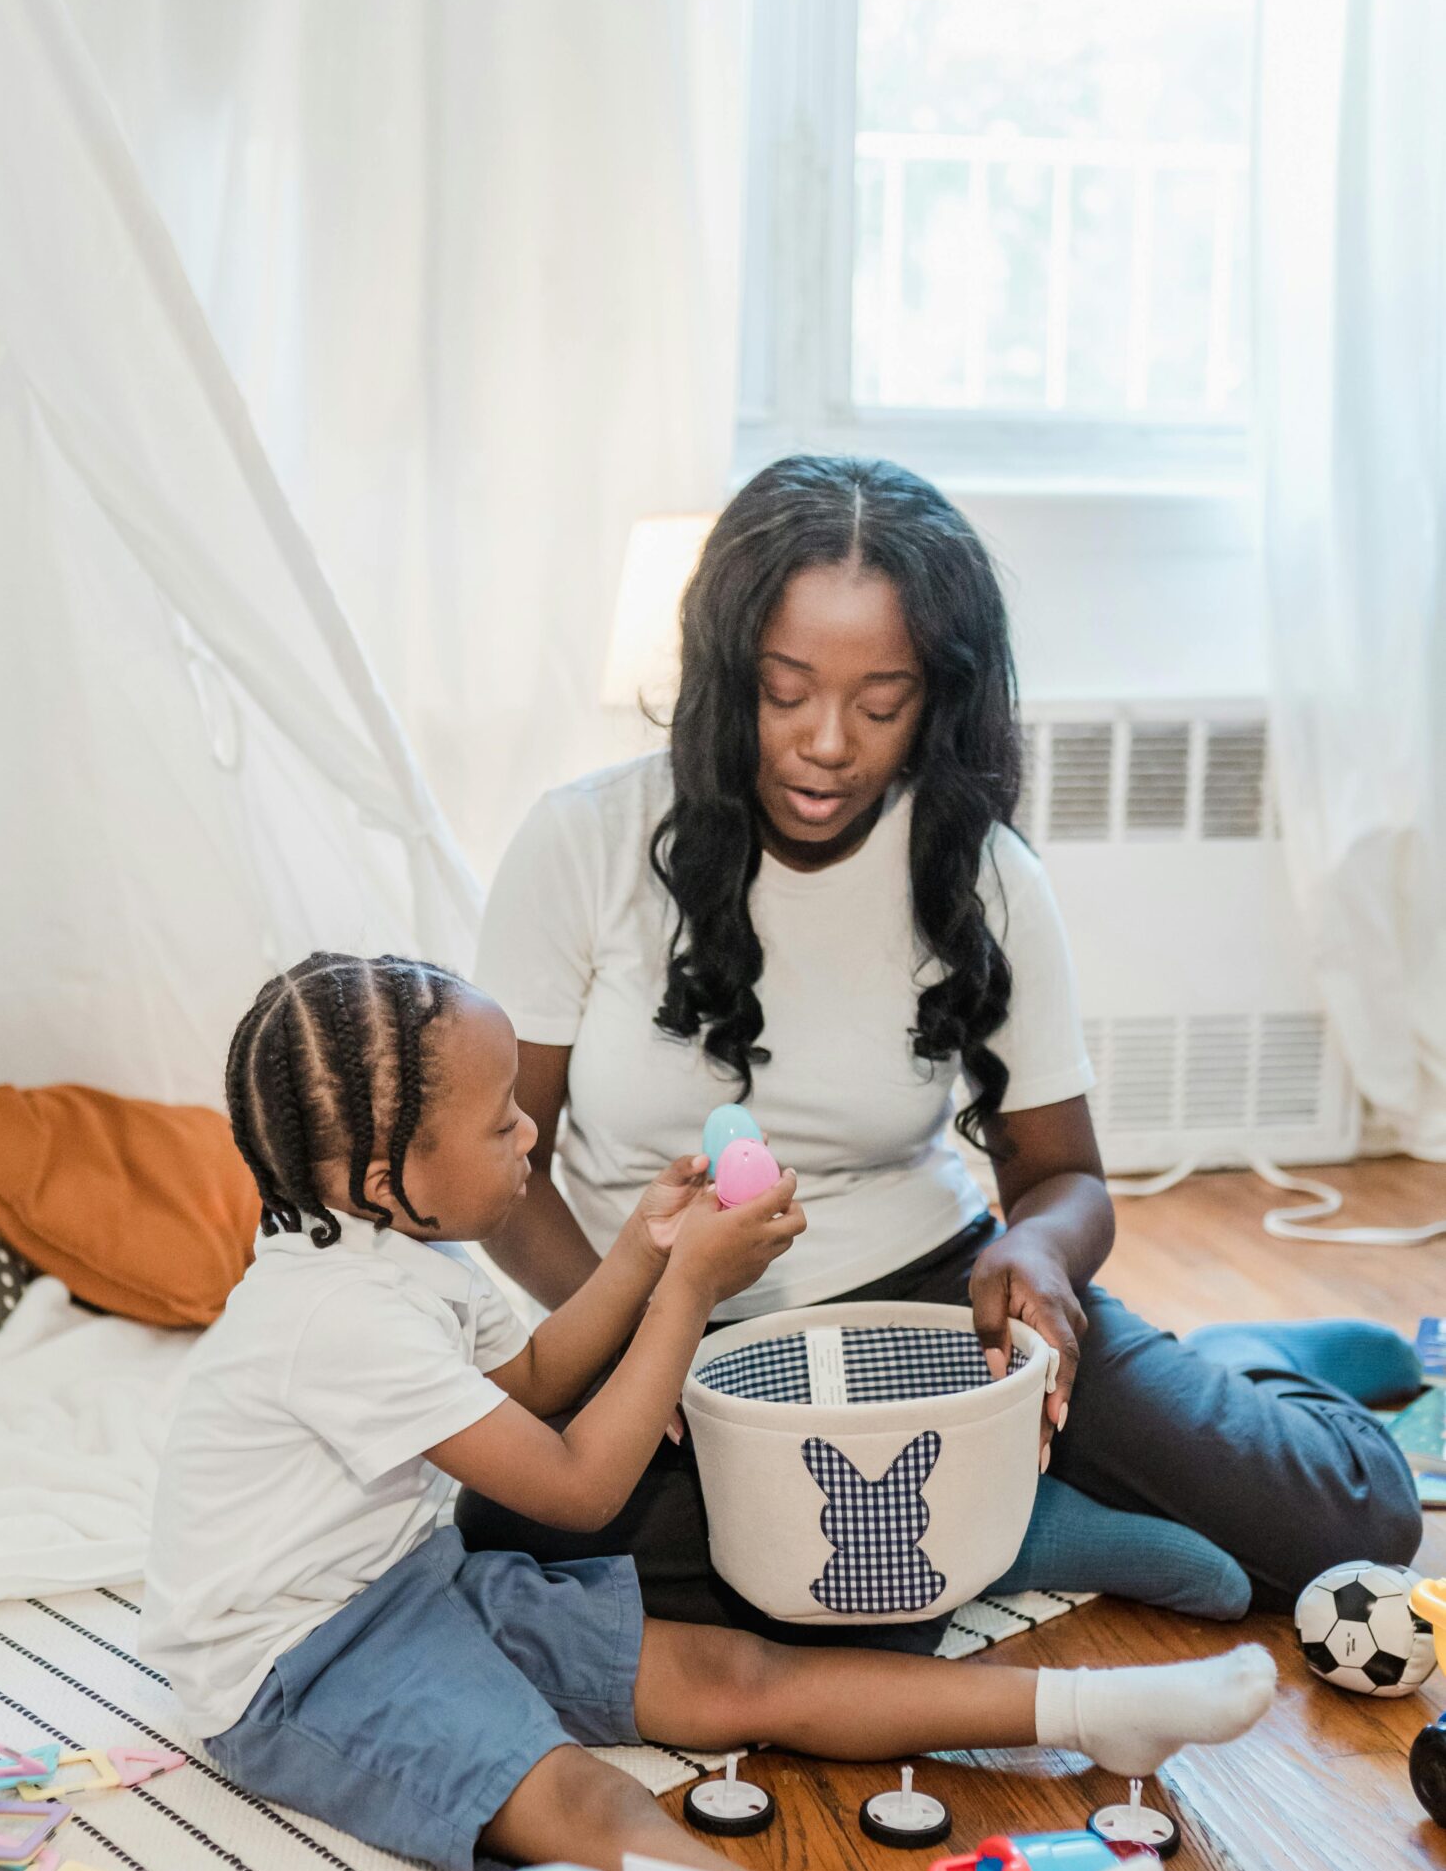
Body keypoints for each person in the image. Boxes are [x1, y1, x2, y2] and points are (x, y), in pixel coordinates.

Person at [141, 952, 1279, 1871]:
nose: (531, 1138)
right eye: (499, 1126)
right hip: (294, 1665)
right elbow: (578, 1487)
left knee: (736, 1673)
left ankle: (1101, 1715)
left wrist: (642, 1253)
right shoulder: (333, 1316)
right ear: (383, 1174)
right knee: (585, 1804)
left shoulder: (401, 1254)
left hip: (406, 1581)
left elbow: (533, 1377)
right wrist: (685, 1294)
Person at [462, 453, 1421, 1632]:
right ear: (726, 675)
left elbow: (1062, 1177)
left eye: (880, 704)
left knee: (1346, 1529)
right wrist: (627, 1330)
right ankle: (1014, 1531)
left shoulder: (978, 871)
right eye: (785, 691)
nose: (826, 743)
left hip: (930, 1297)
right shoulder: (581, 844)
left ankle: (1253, 1365)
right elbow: (506, 1173)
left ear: (938, 697)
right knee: (515, 1539)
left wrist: (1041, 1261)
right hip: (665, 1314)